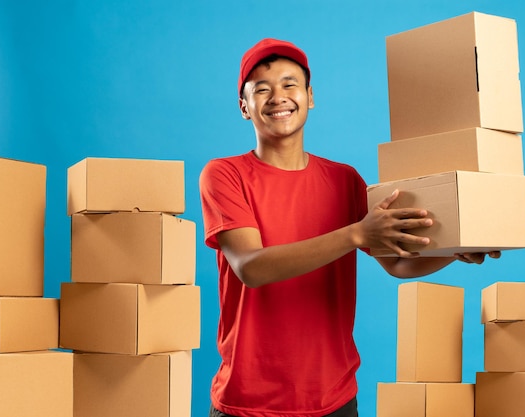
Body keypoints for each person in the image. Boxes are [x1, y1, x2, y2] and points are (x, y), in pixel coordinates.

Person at [199, 38, 500, 417]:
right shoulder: (225, 174)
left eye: (290, 84)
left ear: (310, 97)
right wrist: (357, 233)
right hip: (248, 401)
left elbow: (396, 263)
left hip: (334, 399)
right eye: (262, 89)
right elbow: (252, 268)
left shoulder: (345, 180)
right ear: (245, 107)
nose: (278, 97)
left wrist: (453, 251)